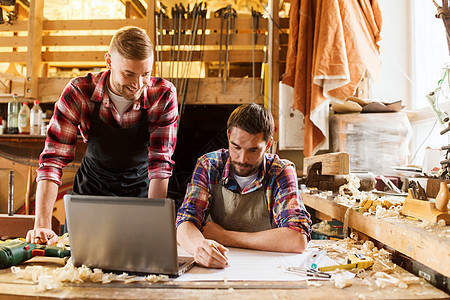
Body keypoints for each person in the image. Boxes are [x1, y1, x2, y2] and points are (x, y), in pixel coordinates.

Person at [26, 26, 178, 245]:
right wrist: (41, 224)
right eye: (128, 74)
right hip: (90, 193)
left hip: (140, 193)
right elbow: (53, 160)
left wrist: (152, 224)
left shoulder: (162, 95)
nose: (137, 85)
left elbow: (160, 164)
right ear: (109, 61)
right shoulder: (79, 92)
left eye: (145, 74)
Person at [176, 103, 311, 268]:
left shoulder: (281, 171)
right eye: (236, 147)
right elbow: (185, 222)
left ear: (268, 144)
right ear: (228, 136)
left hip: (265, 267)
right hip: (216, 266)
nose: (242, 159)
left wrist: (225, 236)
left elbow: (297, 239)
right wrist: (199, 248)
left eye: (253, 150)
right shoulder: (209, 165)